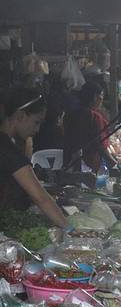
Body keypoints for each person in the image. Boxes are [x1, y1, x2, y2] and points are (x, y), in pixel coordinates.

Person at [0, 88, 68, 228]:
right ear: (20, 116)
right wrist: (70, 229)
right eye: (37, 122)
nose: (37, 130)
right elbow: (40, 197)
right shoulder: (7, 149)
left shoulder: (9, 144)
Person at [64, 81, 114, 174]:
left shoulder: (71, 114)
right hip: (89, 163)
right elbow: (101, 145)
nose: (102, 99)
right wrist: (114, 163)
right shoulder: (94, 116)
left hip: (70, 162)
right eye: (101, 96)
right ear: (95, 97)